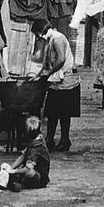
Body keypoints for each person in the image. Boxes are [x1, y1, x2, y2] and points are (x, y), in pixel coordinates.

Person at [28, 19, 80, 152]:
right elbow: (47, 63)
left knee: (64, 113)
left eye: (37, 34)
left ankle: (65, 140)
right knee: (52, 112)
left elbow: (61, 60)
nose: (38, 37)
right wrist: (39, 75)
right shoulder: (50, 40)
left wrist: (49, 73)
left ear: (41, 31)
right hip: (56, 81)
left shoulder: (57, 39)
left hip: (66, 81)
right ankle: (49, 139)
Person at [0, 115, 50, 192]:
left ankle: (21, 184)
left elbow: (28, 168)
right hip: (30, 170)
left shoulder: (35, 149)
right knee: (8, 169)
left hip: (39, 178)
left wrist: (14, 171)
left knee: (29, 173)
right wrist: (11, 168)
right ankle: (12, 181)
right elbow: (23, 156)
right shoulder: (37, 139)